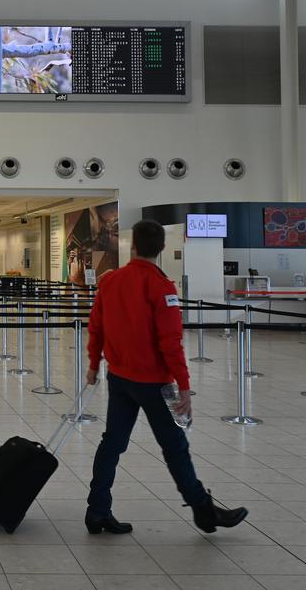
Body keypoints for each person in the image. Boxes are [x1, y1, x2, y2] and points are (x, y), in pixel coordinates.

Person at [85, 219, 247, 536]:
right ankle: (203, 510)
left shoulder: (110, 282)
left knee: (111, 445)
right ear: (161, 248)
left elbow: (97, 328)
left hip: (118, 378)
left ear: (133, 247)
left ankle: (97, 510)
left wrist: (93, 364)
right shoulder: (162, 288)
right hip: (153, 384)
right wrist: (184, 386)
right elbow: (170, 343)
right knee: (174, 446)